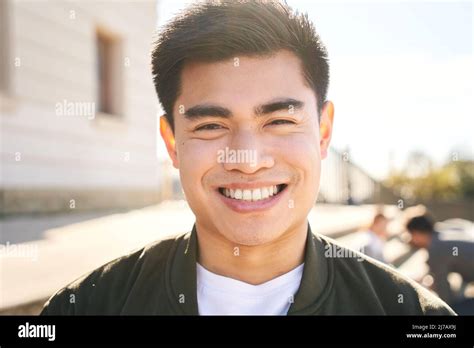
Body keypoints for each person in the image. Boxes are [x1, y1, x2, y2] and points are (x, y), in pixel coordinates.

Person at [41, 0, 454, 315]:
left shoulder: (411, 314)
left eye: (278, 120)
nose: (248, 159)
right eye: (210, 126)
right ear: (171, 143)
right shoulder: (86, 308)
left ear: (323, 131)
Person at [406, 214, 474, 314]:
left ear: (417, 233)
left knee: (458, 309)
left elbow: (444, 293)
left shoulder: (436, 248)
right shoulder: (443, 230)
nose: (411, 239)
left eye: (411, 235)